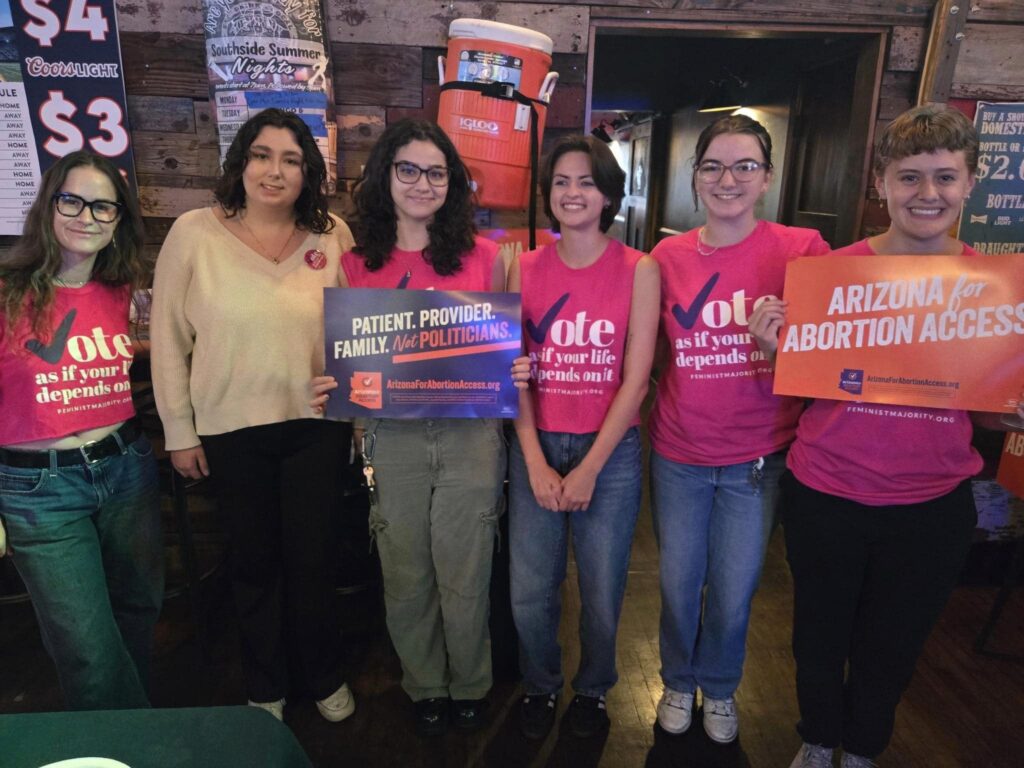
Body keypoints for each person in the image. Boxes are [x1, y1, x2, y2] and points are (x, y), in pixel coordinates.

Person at [749, 104, 1024, 768]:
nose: (927, 195)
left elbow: (986, 415)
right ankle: (817, 742)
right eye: (910, 178)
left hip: (932, 506)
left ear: (970, 182)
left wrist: (1012, 411)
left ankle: (863, 750)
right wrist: (772, 348)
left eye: (945, 178)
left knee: (894, 644)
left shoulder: (993, 287)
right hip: (827, 492)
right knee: (818, 635)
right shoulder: (830, 275)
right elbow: (804, 383)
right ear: (881, 183)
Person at [150, 108, 356, 723]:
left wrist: (357, 396)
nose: (275, 171)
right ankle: (265, 683)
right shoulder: (193, 233)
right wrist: (179, 432)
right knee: (253, 564)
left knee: (314, 562)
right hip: (229, 432)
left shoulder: (332, 235)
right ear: (240, 163)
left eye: (291, 160)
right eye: (262, 155)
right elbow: (167, 340)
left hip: (316, 429)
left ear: (308, 173)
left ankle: (322, 676)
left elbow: (360, 331)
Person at [311, 119, 507, 736]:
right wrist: (330, 386)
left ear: (453, 183)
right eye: (409, 170)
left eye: (437, 172)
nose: (423, 183)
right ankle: (424, 684)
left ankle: (471, 682)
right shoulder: (353, 264)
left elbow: (499, 349)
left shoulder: (488, 257)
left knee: (466, 568)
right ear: (385, 177)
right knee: (404, 570)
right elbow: (348, 365)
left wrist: (513, 362)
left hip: (471, 436)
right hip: (387, 439)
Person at [649, 115, 829, 744]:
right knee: (677, 581)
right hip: (678, 452)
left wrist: (785, 345)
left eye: (744, 166)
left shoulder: (802, 250)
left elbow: (833, 359)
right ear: (695, 177)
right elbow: (643, 352)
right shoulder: (666, 256)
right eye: (713, 166)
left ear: (767, 178)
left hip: (758, 456)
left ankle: (720, 687)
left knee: (734, 587)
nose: (728, 179)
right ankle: (676, 677)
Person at [508, 135, 659, 740]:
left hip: (611, 452)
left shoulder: (638, 269)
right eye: (562, 182)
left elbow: (637, 378)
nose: (573, 193)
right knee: (528, 589)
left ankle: (593, 690)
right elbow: (509, 374)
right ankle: (539, 685)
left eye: (587, 182)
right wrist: (535, 462)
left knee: (601, 586)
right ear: (548, 195)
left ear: (608, 195)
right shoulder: (521, 266)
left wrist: (592, 466)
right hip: (535, 444)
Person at [0, 150, 163, 710]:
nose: (86, 216)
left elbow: (134, 351)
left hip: (125, 468)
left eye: (103, 207)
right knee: (85, 647)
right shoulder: (6, 291)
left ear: (119, 221)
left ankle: (130, 732)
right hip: (39, 489)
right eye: (73, 200)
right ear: (48, 204)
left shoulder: (123, 292)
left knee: (139, 609)